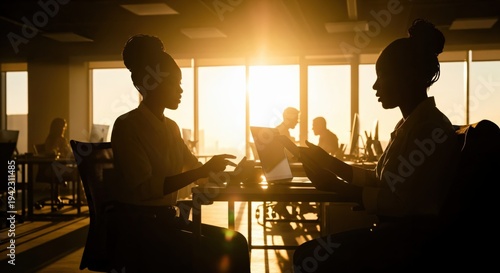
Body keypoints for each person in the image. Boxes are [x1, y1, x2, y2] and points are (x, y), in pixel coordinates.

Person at [291, 19, 460, 272]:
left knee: (307, 258)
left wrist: (336, 186)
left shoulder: (429, 129)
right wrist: (329, 162)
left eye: (382, 77)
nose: (375, 86)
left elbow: (401, 203)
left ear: (406, 77)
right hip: (397, 237)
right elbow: (381, 180)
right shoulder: (412, 124)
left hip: (408, 244)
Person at [110, 34, 251, 273]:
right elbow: (145, 188)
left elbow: (197, 172)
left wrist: (233, 176)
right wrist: (202, 170)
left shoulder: (171, 127)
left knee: (237, 241)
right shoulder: (127, 125)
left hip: (164, 223)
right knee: (226, 250)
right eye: (175, 82)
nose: (181, 89)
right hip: (140, 231)